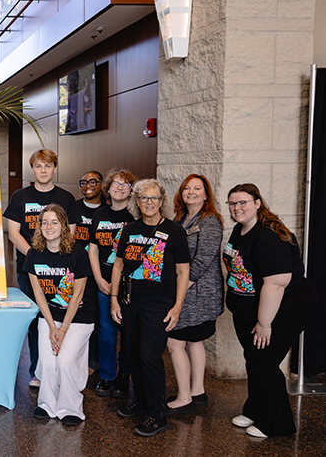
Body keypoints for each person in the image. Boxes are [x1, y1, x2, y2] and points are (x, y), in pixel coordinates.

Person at [223, 184, 317, 438]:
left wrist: (264, 323)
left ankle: (276, 424)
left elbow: (276, 283)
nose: (236, 208)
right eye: (232, 203)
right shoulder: (240, 230)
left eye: (243, 202)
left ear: (257, 203)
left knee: (263, 362)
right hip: (250, 308)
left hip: (284, 309)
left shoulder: (268, 237)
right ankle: (255, 409)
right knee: (253, 359)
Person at [110, 178, 190, 437]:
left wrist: (177, 307)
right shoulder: (130, 229)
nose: (148, 202)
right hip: (130, 301)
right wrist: (114, 298)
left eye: (153, 198)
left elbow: (182, 271)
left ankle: (157, 415)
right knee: (132, 355)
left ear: (162, 201)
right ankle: (142, 401)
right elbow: (119, 265)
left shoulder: (175, 232)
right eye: (143, 198)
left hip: (159, 304)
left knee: (149, 356)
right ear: (137, 201)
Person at [3, 149, 79, 388]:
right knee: (36, 320)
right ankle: (37, 370)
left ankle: (61, 366)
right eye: (38, 166)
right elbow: (13, 233)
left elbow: (72, 233)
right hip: (30, 269)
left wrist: (54, 259)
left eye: (48, 166)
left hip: (61, 272)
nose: (43, 171)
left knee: (59, 315)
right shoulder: (20, 196)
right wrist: (36, 258)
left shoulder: (66, 198)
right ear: (32, 169)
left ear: (55, 169)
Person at [23, 204, 94, 426]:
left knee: (64, 361)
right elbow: (38, 293)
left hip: (79, 317)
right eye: (44, 223)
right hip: (49, 316)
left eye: (54, 222)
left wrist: (63, 329)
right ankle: (46, 404)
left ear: (63, 225)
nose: (49, 226)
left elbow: (78, 294)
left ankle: (71, 407)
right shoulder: (34, 254)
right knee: (47, 361)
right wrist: (52, 326)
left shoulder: (78, 253)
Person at [165, 174, 224, 414]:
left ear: (206, 194)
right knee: (194, 340)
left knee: (174, 343)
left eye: (197, 188)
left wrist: (180, 287)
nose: (191, 192)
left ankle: (184, 398)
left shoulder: (210, 221)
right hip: (186, 290)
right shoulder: (180, 218)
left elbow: (202, 260)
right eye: (187, 188)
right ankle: (197, 391)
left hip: (199, 293)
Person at [88, 169, 136, 398]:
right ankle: (106, 377)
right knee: (107, 332)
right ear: (107, 188)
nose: (119, 187)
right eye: (115, 184)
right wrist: (98, 279)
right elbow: (93, 248)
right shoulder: (100, 214)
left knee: (128, 334)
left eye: (125, 184)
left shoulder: (136, 215)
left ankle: (124, 375)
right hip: (105, 284)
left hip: (130, 285)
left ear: (131, 190)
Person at [74, 170, 103, 374]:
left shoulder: (109, 210)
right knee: (77, 315)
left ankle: (93, 359)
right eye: (84, 181)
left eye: (93, 181)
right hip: (76, 271)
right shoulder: (73, 208)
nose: (88, 185)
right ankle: (76, 358)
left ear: (102, 184)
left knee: (97, 318)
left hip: (100, 273)